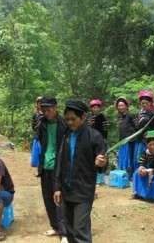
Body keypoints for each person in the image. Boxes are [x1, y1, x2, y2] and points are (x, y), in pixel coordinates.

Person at [54, 99, 107, 243]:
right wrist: (58, 187)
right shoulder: (67, 136)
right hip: (66, 190)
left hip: (83, 191)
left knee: (80, 230)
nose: (70, 122)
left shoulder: (94, 137)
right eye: (67, 119)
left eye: (73, 119)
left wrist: (101, 163)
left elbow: (102, 163)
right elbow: (60, 162)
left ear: (84, 116)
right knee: (69, 229)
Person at [35, 96, 67, 242]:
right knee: (48, 198)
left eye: (48, 110)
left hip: (59, 167)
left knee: (59, 199)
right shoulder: (42, 123)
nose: (45, 113)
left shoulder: (64, 124)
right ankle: (55, 227)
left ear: (56, 108)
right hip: (45, 166)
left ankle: (64, 233)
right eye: (43, 110)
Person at [134, 91, 154, 171]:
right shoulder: (139, 113)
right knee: (139, 158)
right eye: (142, 103)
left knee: (148, 158)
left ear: (150, 103)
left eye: (146, 103)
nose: (144, 105)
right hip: (139, 140)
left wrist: (150, 135)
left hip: (149, 141)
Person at [87, 99, 109, 186]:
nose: (95, 109)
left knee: (101, 158)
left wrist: (104, 139)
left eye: (97, 108)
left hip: (101, 141)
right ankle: (94, 179)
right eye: (94, 108)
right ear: (91, 109)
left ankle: (101, 180)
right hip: (92, 141)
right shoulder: (89, 118)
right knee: (93, 159)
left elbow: (105, 129)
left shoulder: (102, 117)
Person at [115, 96, 137, 174]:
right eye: (119, 106)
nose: (121, 107)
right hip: (122, 141)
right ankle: (125, 174)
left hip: (131, 141)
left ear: (126, 106)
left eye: (122, 105)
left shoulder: (131, 115)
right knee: (123, 159)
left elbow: (137, 126)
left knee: (130, 158)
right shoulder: (119, 117)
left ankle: (131, 174)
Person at [30, 96, 44, 167]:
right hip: (37, 135)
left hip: (44, 136)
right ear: (37, 104)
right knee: (37, 151)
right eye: (40, 103)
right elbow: (33, 125)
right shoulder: (35, 114)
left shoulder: (45, 114)